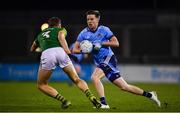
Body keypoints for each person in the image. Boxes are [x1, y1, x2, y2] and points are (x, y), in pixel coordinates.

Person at [73, 10, 161, 109]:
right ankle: (150, 95)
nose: (89, 21)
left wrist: (101, 44)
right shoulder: (83, 33)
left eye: (92, 19)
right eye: (88, 19)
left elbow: (116, 43)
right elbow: (75, 49)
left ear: (98, 19)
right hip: (100, 62)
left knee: (95, 77)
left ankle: (104, 104)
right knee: (124, 87)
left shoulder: (104, 30)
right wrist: (86, 50)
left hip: (109, 58)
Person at [30, 17, 101, 109]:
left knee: (41, 84)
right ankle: (90, 95)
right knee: (76, 79)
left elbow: (32, 48)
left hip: (47, 54)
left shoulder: (40, 34)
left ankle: (64, 101)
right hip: (61, 52)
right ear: (59, 24)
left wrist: (42, 47)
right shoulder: (61, 29)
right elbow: (60, 36)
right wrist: (67, 51)